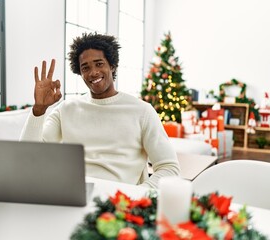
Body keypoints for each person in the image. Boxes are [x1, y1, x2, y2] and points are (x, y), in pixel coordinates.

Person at [20, 32, 180, 189]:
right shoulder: (66, 109)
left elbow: (169, 169)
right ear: (80, 72)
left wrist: (136, 195)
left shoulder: (142, 111)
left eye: (99, 64)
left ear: (112, 65)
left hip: (119, 203)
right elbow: (28, 157)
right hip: (73, 195)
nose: (93, 72)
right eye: (85, 67)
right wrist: (39, 109)